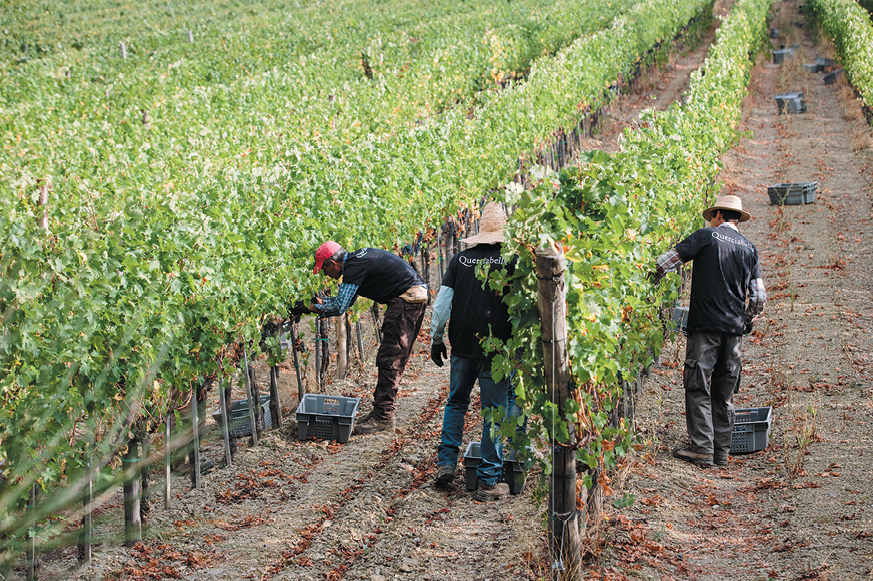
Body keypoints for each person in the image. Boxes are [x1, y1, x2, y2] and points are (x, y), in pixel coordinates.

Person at [654, 195, 766, 467]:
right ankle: (721, 452)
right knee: (724, 391)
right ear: (736, 219)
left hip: (705, 326)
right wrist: (745, 319)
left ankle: (702, 449)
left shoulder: (706, 236)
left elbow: (666, 261)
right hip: (734, 332)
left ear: (717, 215)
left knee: (697, 385)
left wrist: (649, 279)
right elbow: (760, 297)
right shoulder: (750, 249)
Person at [429, 202, 520, 501]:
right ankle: (487, 481)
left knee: (456, 402)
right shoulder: (514, 263)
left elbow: (441, 306)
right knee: (494, 414)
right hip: (498, 349)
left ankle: (445, 464)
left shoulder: (459, 261)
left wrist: (436, 339)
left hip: (462, 345)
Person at [310, 241, 427, 434]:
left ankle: (384, 417)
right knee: (390, 357)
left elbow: (339, 308)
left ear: (332, 263)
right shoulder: (357, 260)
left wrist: (309, 308)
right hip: (411, 297)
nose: (325, 275)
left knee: (390, 358)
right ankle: (380, 411)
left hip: (406, 301)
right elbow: (346, 300)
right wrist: (321, 302)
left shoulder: (353, 268)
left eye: (324, 269)